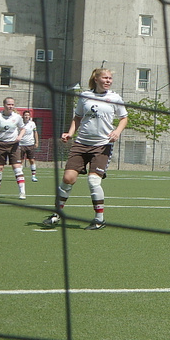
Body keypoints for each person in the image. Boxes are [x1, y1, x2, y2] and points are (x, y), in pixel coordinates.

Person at [40, 69, 127, 230]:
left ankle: (99, 220)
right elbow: (78, 116)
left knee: (93, 181)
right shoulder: (85, 96)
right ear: (96, 79)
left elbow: (124, 117)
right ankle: (56, 214)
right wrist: (70, 133)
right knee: (68, 179)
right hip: (81, 143)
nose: (108, 81)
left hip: (102, 145)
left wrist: (117, 131)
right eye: (105, 78)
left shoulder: (115, 98)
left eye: (110, 78)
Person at [0, 96, 28, 200]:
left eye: (12, 104)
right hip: (0, 144)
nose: (11, 106)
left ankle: (22, 192)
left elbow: (22, 128)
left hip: (13, 145)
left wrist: (19, 136)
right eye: (9, 104)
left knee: (17, 168)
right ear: (4, 105)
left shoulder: (17, 117)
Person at [18, 112, 40, 181]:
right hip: (21, 145)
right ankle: (20, 175)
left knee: (32, 160)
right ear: (23, 116)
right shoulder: (20, 123)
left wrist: (37, 142)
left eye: (28, 115)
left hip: (30, 144)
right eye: (25, 115)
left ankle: (33, 176)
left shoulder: (32, 123)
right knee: (20, 161)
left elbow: (35, 132)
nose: (27, 116)